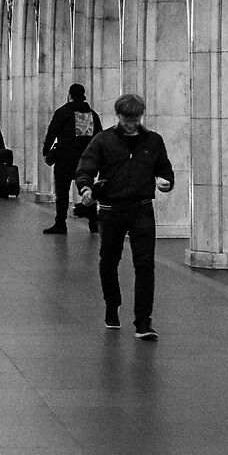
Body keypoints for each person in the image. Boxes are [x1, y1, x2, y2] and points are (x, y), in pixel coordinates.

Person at [74, 92, 176, 339]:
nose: (131, 123)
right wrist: (86, 187)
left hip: (142, 207)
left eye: (136, 118)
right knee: (109, 261)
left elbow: (165, 169)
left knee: (145, 263)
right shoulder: (103, 140)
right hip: (111, 209)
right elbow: (85, 168)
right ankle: (112, 303)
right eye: (126, 118)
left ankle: (143, 321)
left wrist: (166, 182)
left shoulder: (153, 141)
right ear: (118, 115)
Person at [41, 83, 103, 234]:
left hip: (65, 159)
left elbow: (52, 132)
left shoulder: (63, 112)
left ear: (70, 95)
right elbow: (99, 136)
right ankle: (93, 223)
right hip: (86, 161)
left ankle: (60, 223)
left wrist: (45, 150)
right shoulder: (92, 115)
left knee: (62, 193)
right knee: (86, 189)